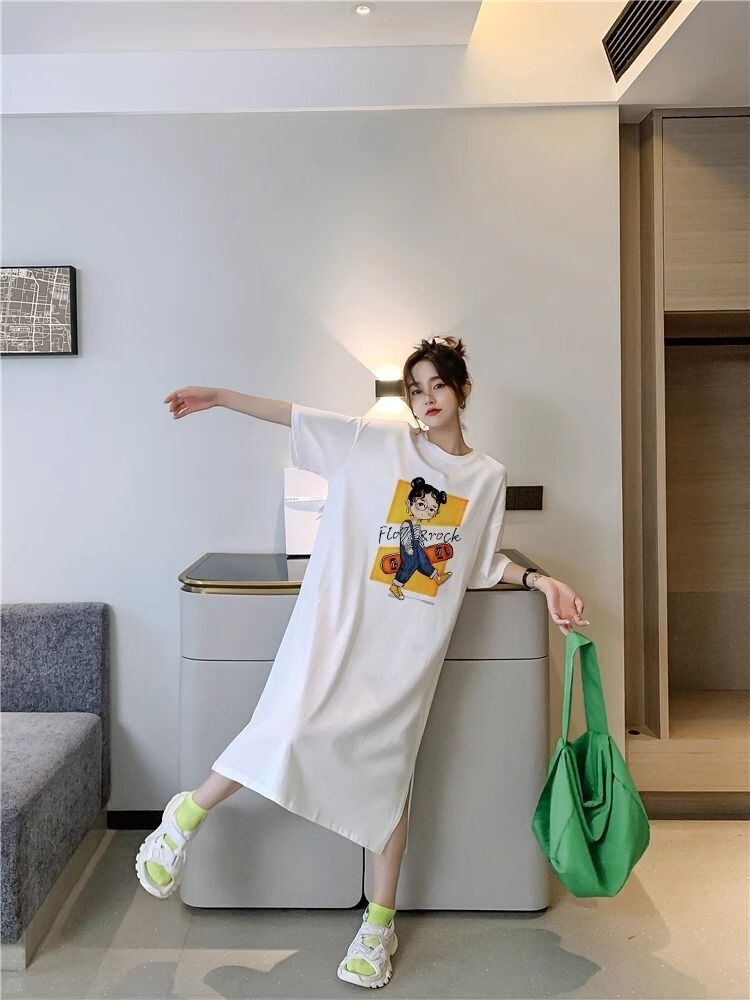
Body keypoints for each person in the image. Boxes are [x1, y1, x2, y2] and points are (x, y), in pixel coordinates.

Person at [136, 336, 590, 989]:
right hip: (340, 630)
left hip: (407, 654)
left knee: (386, 780)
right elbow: (295, 417)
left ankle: (378, 926)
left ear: (463, 389)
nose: (425, 400)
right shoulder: (377, 442)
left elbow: (480, 562)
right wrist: (221, 397)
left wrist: (542, 582)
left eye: (437, 385)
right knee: (288, 728)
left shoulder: (487, 477)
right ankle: (185, 817)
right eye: (416, 389)